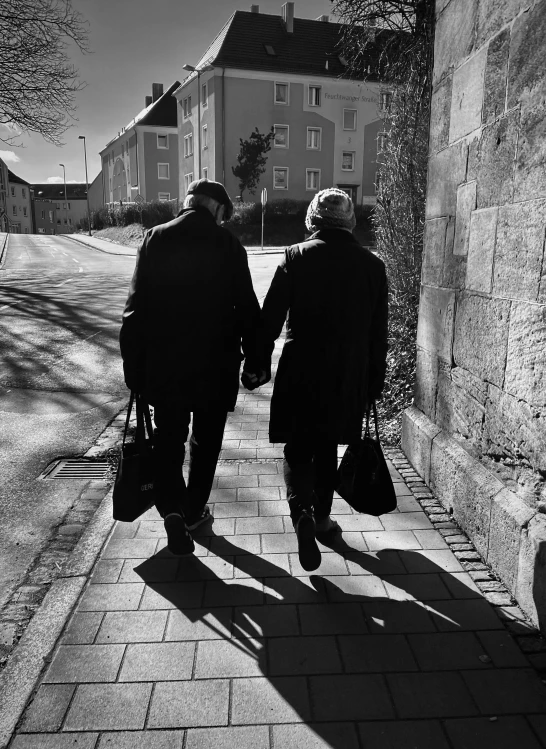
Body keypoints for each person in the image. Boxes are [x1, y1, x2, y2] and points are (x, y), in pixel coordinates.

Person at [120, 179, 262, 556]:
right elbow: (248, 311)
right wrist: (256, 361)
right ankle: (195, 509)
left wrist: (134, 370)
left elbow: (134, 313)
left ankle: (172, 511)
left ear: (188, 203)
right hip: (216, 367)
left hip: (165, 368)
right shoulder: (229, 246)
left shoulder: (154, 239)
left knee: (168, 440)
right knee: (206, 442)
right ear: (215, 208)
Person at [257, 188, 388, 572]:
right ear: (350, 222)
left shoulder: (295, 256)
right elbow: (377, 334)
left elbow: (270, 317)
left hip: (301, 367)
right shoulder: (372, 266)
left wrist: (257, 361)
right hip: (347, 371)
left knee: (299, 446)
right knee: (328, 443)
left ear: (312, 220)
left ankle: (301, 512)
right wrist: (373, 383)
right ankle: (323, 518)